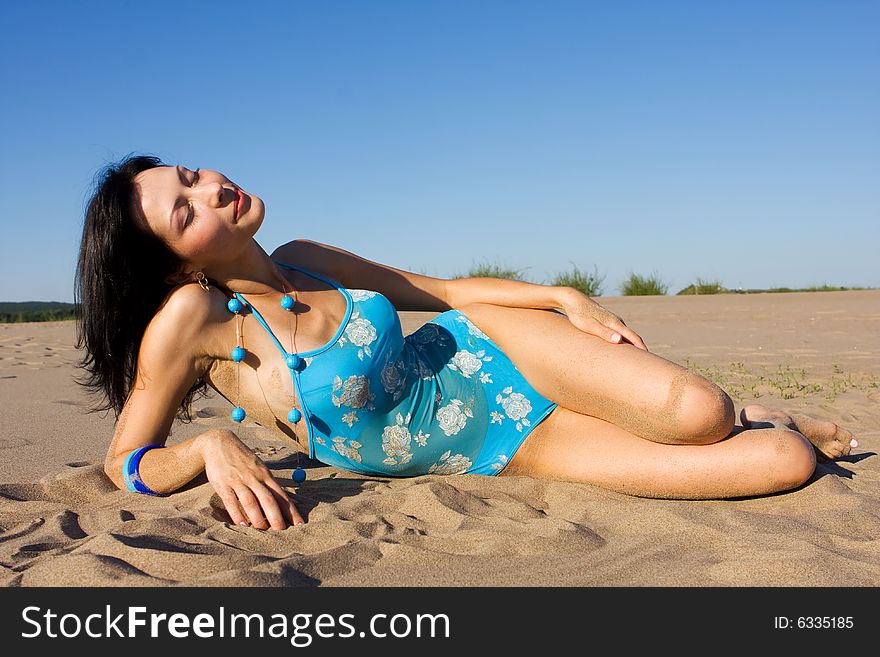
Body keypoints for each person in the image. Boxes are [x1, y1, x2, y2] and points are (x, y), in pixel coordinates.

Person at [75, 153, 859, 531]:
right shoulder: (191, 324)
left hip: (490, 349)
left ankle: (732, 408)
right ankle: (770, 418)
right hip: (504, 448)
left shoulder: (307, 256)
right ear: (180, 262)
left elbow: (444, 294)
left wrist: (562, 297)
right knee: (782, 460)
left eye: (190, 172)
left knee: (701, 413)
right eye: (185, 208)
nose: (211, 186)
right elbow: (123, 464)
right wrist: (208, 448)